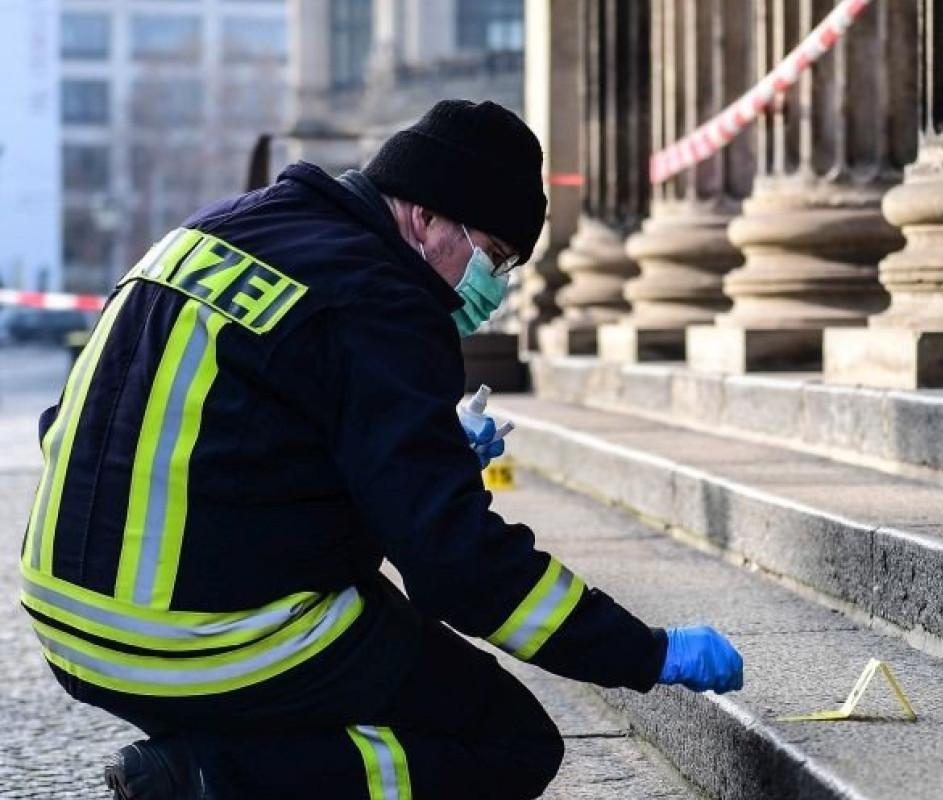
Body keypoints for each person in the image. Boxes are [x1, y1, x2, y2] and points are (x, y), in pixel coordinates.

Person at [18, 99, 744, 800]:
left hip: (63, 617)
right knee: (506, 742)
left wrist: (411, 449)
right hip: (198, 640)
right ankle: (211, 780)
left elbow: (78, 422)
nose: (490, 285)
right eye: (491, 255)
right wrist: (643, 651)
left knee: (370, 656)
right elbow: (453, 563)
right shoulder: (386, 299)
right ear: (426, 214)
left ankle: (223, 756)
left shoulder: (214, 229)